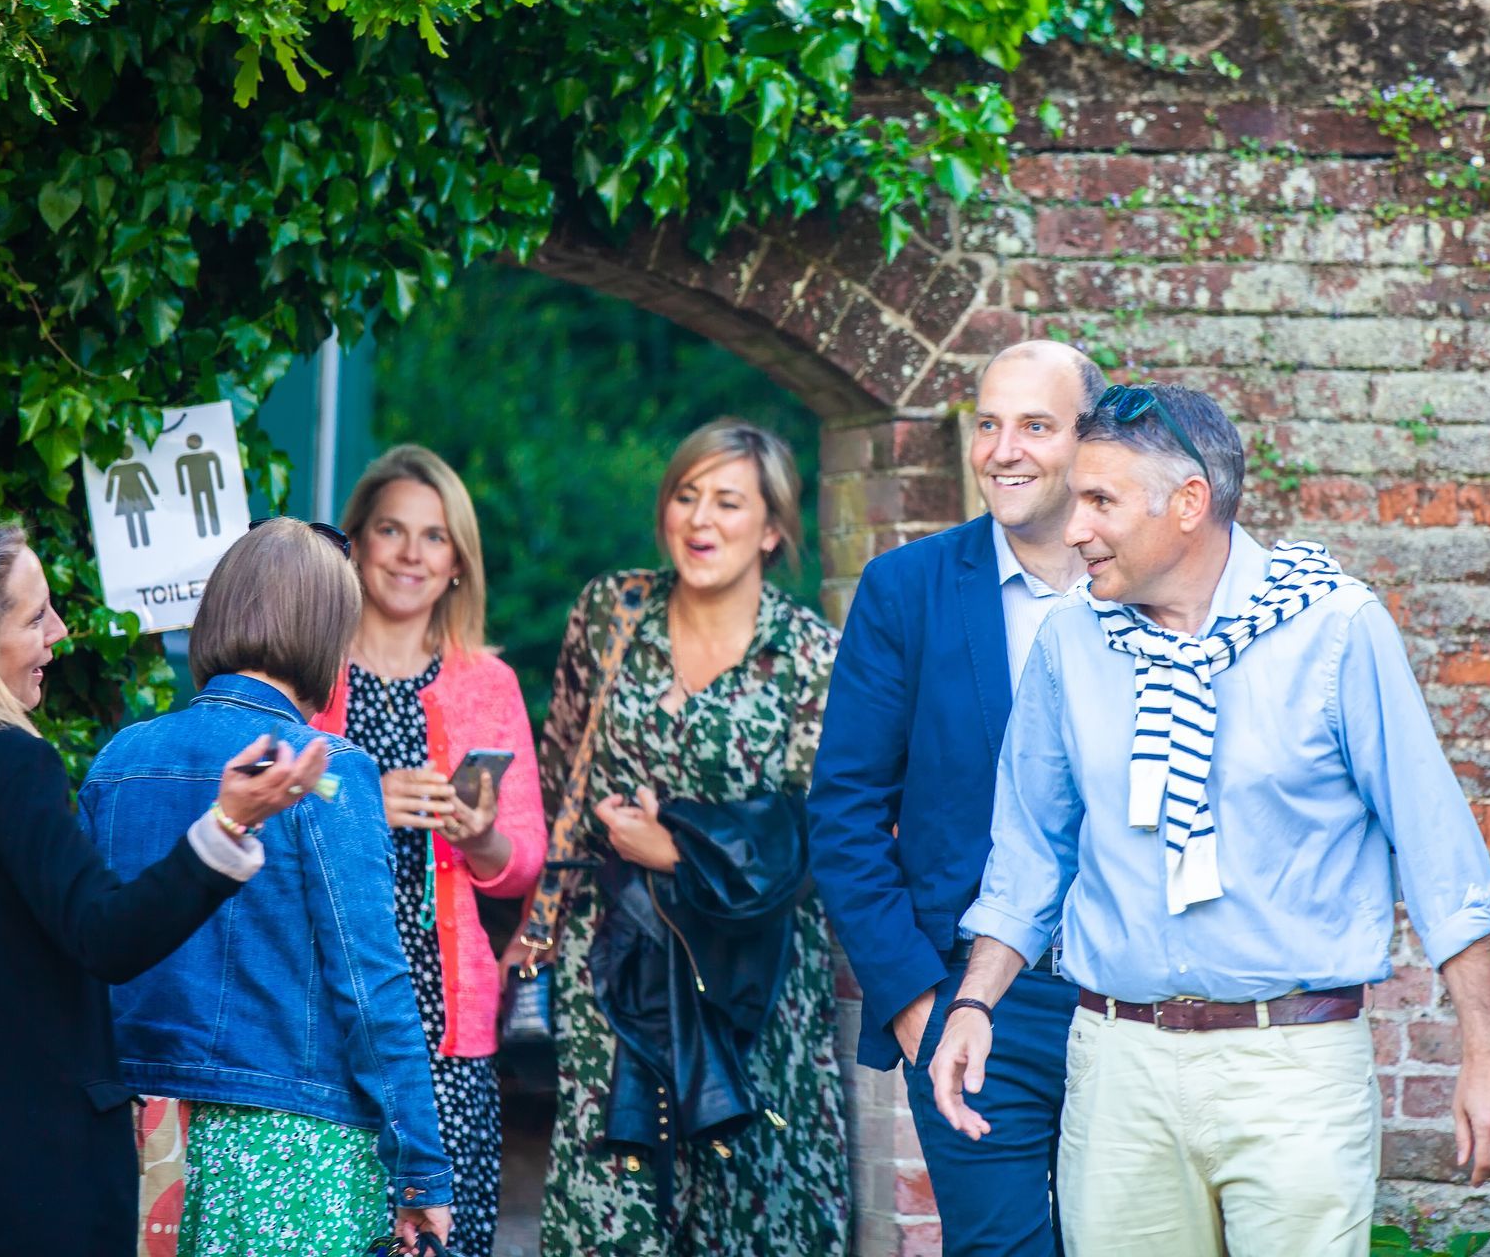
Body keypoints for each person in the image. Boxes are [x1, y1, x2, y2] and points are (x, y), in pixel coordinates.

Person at [931, 383, 1490, 1256]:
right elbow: (1031, 853)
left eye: (1099, 501)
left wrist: (1487, 1053)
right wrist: (974, 1001)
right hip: (1116, 1063)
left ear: (1189, 504)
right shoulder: (1071, 643)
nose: (1073, 531)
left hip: (1291, 1068)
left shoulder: (1336, 631)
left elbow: (1438, 853)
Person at [0, 522, 324, 1255]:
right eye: (35, 616)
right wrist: (227, 824)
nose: (61, 633)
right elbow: (107, 933)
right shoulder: (7, 765)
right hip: (21, 1184)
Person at [83, 518, 455, 1255]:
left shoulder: (120, 758)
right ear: (328, 638)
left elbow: (84, 952)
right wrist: (422, 1172)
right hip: (288, 1149)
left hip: (131, 1133)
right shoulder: (329, 772)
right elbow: (371, 980)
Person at [807, 340, 1103, 1255]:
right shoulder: (909, 590)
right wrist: (912, 1001)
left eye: (1036, 426)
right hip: (972, 1007)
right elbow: (844, 811)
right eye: (988, 424)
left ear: (1089, 443)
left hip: (1128, 999)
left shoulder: (1144, 589)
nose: (1003, 449)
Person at [538, 419, 850, 1255]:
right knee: (615, 1200)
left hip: (753, 975)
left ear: (773, 527)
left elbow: (817, 829)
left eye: (727, 501)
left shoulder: (810, 654)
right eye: (686, 496)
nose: (700, 520)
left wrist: (676, 851)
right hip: (617, 960)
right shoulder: (612, 612)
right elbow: (558, 767)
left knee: (752, 1194)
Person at [309, 444, 548, 1257]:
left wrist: (479, 837)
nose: (412, 553)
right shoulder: (308, 676)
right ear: (356, 543)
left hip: (447, 1023)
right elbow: (265, 830)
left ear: (457, 563)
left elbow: (523, 862)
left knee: (446, 1241)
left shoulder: (488, 682)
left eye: (435, 537)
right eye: (390, 530)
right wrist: (360, 805)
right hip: (324, 1012)